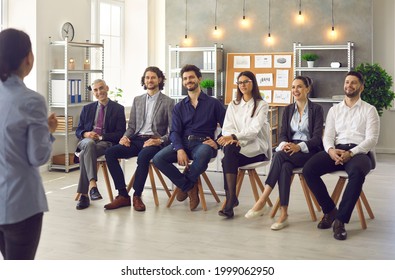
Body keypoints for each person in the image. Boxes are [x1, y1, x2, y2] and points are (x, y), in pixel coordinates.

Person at [0, 28, 58, 259]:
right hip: (20, 203)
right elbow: (38, 156)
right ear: (28, 58)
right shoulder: (31, 101)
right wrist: (48, 130)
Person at [303, 71, 380, 240]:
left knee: (357, 173)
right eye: (347, 82)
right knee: (309, 169)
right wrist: (331, 150)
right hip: (336, 150)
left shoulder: (369, 110)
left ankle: (340, 220)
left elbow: (372, 139)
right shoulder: (334, 110)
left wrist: (351, 153)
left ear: (361, 87)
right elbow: (328, 136)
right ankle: (330, 211)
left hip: (359, 152)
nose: (349, 86)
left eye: (353, 83)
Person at [244, 76, 324, 229]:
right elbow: (282, 134)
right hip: (289, 150)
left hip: (308, 151)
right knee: (285, 167)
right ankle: (284, 214)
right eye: (293, 87)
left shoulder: (317, 109)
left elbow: (317, 138)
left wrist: (299, 147)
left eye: (299, 87)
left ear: (307, 89)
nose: (295, 90)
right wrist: (284, 144)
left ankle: (262, 200)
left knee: (279, 155)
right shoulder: (288, 110)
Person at [153, 64, 226, 211]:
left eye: (191, 77)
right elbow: (174, 132)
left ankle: (185, 183)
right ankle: (188, 186)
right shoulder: (179, 106)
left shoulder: (214, 103)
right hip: (184, 143)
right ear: (182, 82)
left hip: (204, 144)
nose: (188, 81)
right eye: (185, 78)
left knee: (204, 153)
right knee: (158, 159)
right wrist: (179, 149)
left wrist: (217, 143)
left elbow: (228, 127)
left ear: (199, 78)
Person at [104, 66, 175, 211]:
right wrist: (124, 137)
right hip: (136, 139)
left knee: (143, 157)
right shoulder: (138, 100)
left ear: (159, 79)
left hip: (154, 141)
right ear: (144, 80)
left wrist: (159, 140)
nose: (150, 80)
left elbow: (172, 131)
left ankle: (137, 195)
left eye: (153, 77)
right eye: (147, 77)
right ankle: (123, 195)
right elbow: (131, 126)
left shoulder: (168, 102)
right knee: (110, 153)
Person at [217, 71, 272, 218]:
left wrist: (235, 137)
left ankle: (231, 199)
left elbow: (253, 131)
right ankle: (231, 200)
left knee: (226, 158)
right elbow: (227, 128)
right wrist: (232, 138)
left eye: (246, 81)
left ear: (253, 83)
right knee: (229, 151)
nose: (243, 85)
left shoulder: (262, 105)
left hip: (256, 150)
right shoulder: (233, 105)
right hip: (236, 149)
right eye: (240, 82)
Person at [75, 79, 126, 210]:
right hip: (87, 141)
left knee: (84, 154)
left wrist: (102, 136)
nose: (99, 92)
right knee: (89, 144)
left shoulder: (118, 109)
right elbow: (78, 130)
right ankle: (93, 186)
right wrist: (86, 134)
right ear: (93, 93)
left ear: (107, 88)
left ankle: (84, 195)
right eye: (96, 90)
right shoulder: (87, 109)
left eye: (101, 88)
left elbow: (120, 133)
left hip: (105, 143)